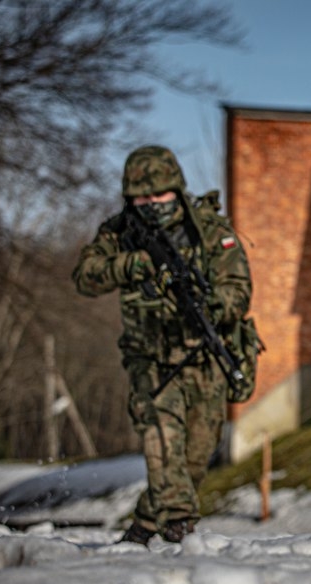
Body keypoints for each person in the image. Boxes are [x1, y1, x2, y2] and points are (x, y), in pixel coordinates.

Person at [72, 146, 252, 544]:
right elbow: (85, 275)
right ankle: (177, 526)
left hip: (203, 357)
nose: (151, 204)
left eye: (160, 195)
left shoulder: (207, 229)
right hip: (150, 359)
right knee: (162, 441)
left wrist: (214, 304)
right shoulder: (119, 231)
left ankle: (143, 527)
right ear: (130, 197)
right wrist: (131, 265)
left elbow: (239, 288)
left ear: (176, 189)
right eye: (142, 197)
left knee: (193, 459)